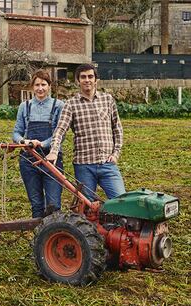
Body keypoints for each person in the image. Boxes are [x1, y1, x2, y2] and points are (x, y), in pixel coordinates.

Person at [46, 63, 125, 201]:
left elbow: (117, 128)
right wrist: (53, 150)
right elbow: (60, 130)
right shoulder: (71, 104)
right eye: (83, 77)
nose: (87, 80)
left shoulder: (107, 100)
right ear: (78, 81)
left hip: (107, 163)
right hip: (84, 166)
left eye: (90, 76)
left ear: (96, 80)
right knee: (87, 207)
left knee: (120, 200)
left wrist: (116, 153)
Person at [12, 69, 65, 218]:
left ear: (49, 86)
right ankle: (39, 238)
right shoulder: (25, 106)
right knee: (36, 205)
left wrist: (41, 143)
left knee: (54, 205)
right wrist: (25, 141)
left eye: (43, 84)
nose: (40, 88)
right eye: (37, 85)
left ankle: (53, 236)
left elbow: (60, 134)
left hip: (51, 159)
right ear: (32, 87)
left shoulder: (58, 105)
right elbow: (16, 133)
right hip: (28, 160)